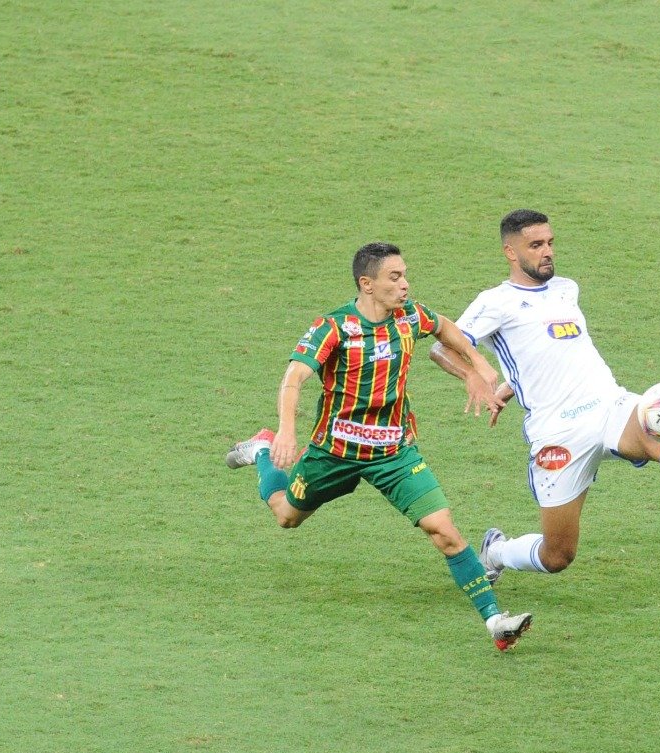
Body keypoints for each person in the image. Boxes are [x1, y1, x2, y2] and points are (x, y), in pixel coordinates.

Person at [225, 242, 532, 650]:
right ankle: (261, 451)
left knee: (445, 531)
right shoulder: (333, 327)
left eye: (404, 275)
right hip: (334, 453)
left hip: (394, 453)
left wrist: (477, 366)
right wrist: (284, 432)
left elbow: (444, 327)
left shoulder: (409, 316)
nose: (405, 285)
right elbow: (295, 377)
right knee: (286, 516)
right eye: (395, 277)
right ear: (366, 284)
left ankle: (496, 622)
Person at [429, 210, 660, 584]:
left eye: (550, 243)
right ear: (510, 253)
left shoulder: (566, 288)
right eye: (535, 245)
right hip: (557, 434)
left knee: (657, 432)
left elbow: (551, 351)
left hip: (607, 404)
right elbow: (442, 348)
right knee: (558, 554)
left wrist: (513, 383)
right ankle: (496, 552)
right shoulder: (496, 302)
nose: (547, 251)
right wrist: (475, 376)